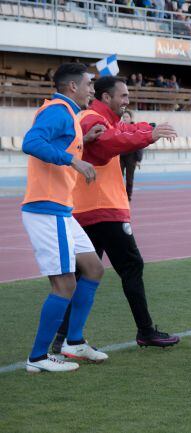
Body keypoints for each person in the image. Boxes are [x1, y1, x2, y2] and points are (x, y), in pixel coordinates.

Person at [51, 76, 180, 352]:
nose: (128, 100)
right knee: (131, 267)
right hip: (103, 209)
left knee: (82, 274)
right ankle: (145, 331)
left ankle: (62, 338)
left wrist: (150, 128)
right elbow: (111, 142)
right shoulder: (90, 117)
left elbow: (123, 131)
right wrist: (149, 133)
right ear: (106, 97)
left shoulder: (104, 119)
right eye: (123, 96)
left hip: (90, 209)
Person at [21, 63, 107, 373]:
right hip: (47, 209)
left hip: (60, 210)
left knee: (93, 269)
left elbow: (58, 142)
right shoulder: (58, 109)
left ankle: (73, 342)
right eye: (89, 85)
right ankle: (38, 358)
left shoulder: (68, 114)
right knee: (64, 284)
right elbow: (30, 143)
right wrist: (73, 160)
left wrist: (87, 139)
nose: (92, 91)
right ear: (73, 87)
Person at [118, 110, 143, 202]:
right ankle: (120, 196)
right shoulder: (118, 128)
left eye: (126, 117)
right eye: (123, 117)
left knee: (129, 179)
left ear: (131, 118)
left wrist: (139, 159)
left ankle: (128, 197)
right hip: (120, 156)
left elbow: (139, 144)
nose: (124, 119)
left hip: (131, 157)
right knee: (119, 178)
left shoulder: (135, 129)